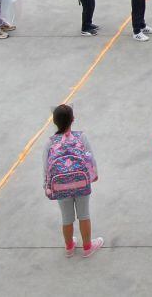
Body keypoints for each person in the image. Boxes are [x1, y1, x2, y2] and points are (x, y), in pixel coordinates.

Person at [44, 104, 103, 258]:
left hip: (60, 185)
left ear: (54, 121)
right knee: (84, 214)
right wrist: (93, 175)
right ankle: (87, 247)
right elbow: (90, 157)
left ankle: (69, 247)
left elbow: (46, 166)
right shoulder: (81, 137)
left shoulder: (50, 142)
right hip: (81, 182)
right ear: (73, 119)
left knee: (66, 217)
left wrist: (47, 186)